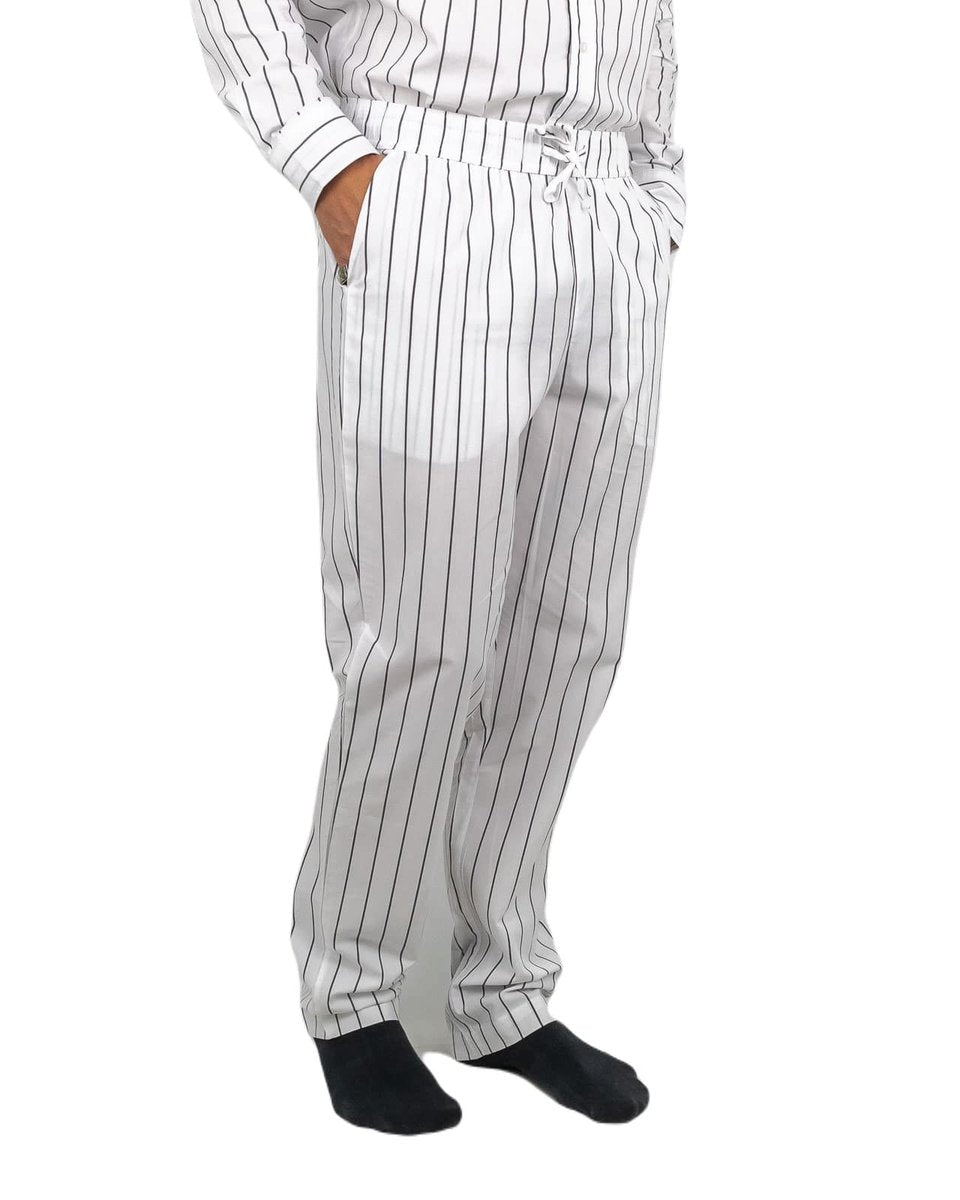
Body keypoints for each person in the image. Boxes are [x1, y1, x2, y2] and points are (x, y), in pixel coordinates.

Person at [191, 0, 685, 1135]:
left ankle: (499, 986)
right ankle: (353, 991)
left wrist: (658, 189)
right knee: (421, 631)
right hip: (437, 191)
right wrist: (331, 165)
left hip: (608, 205)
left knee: (572, 632)